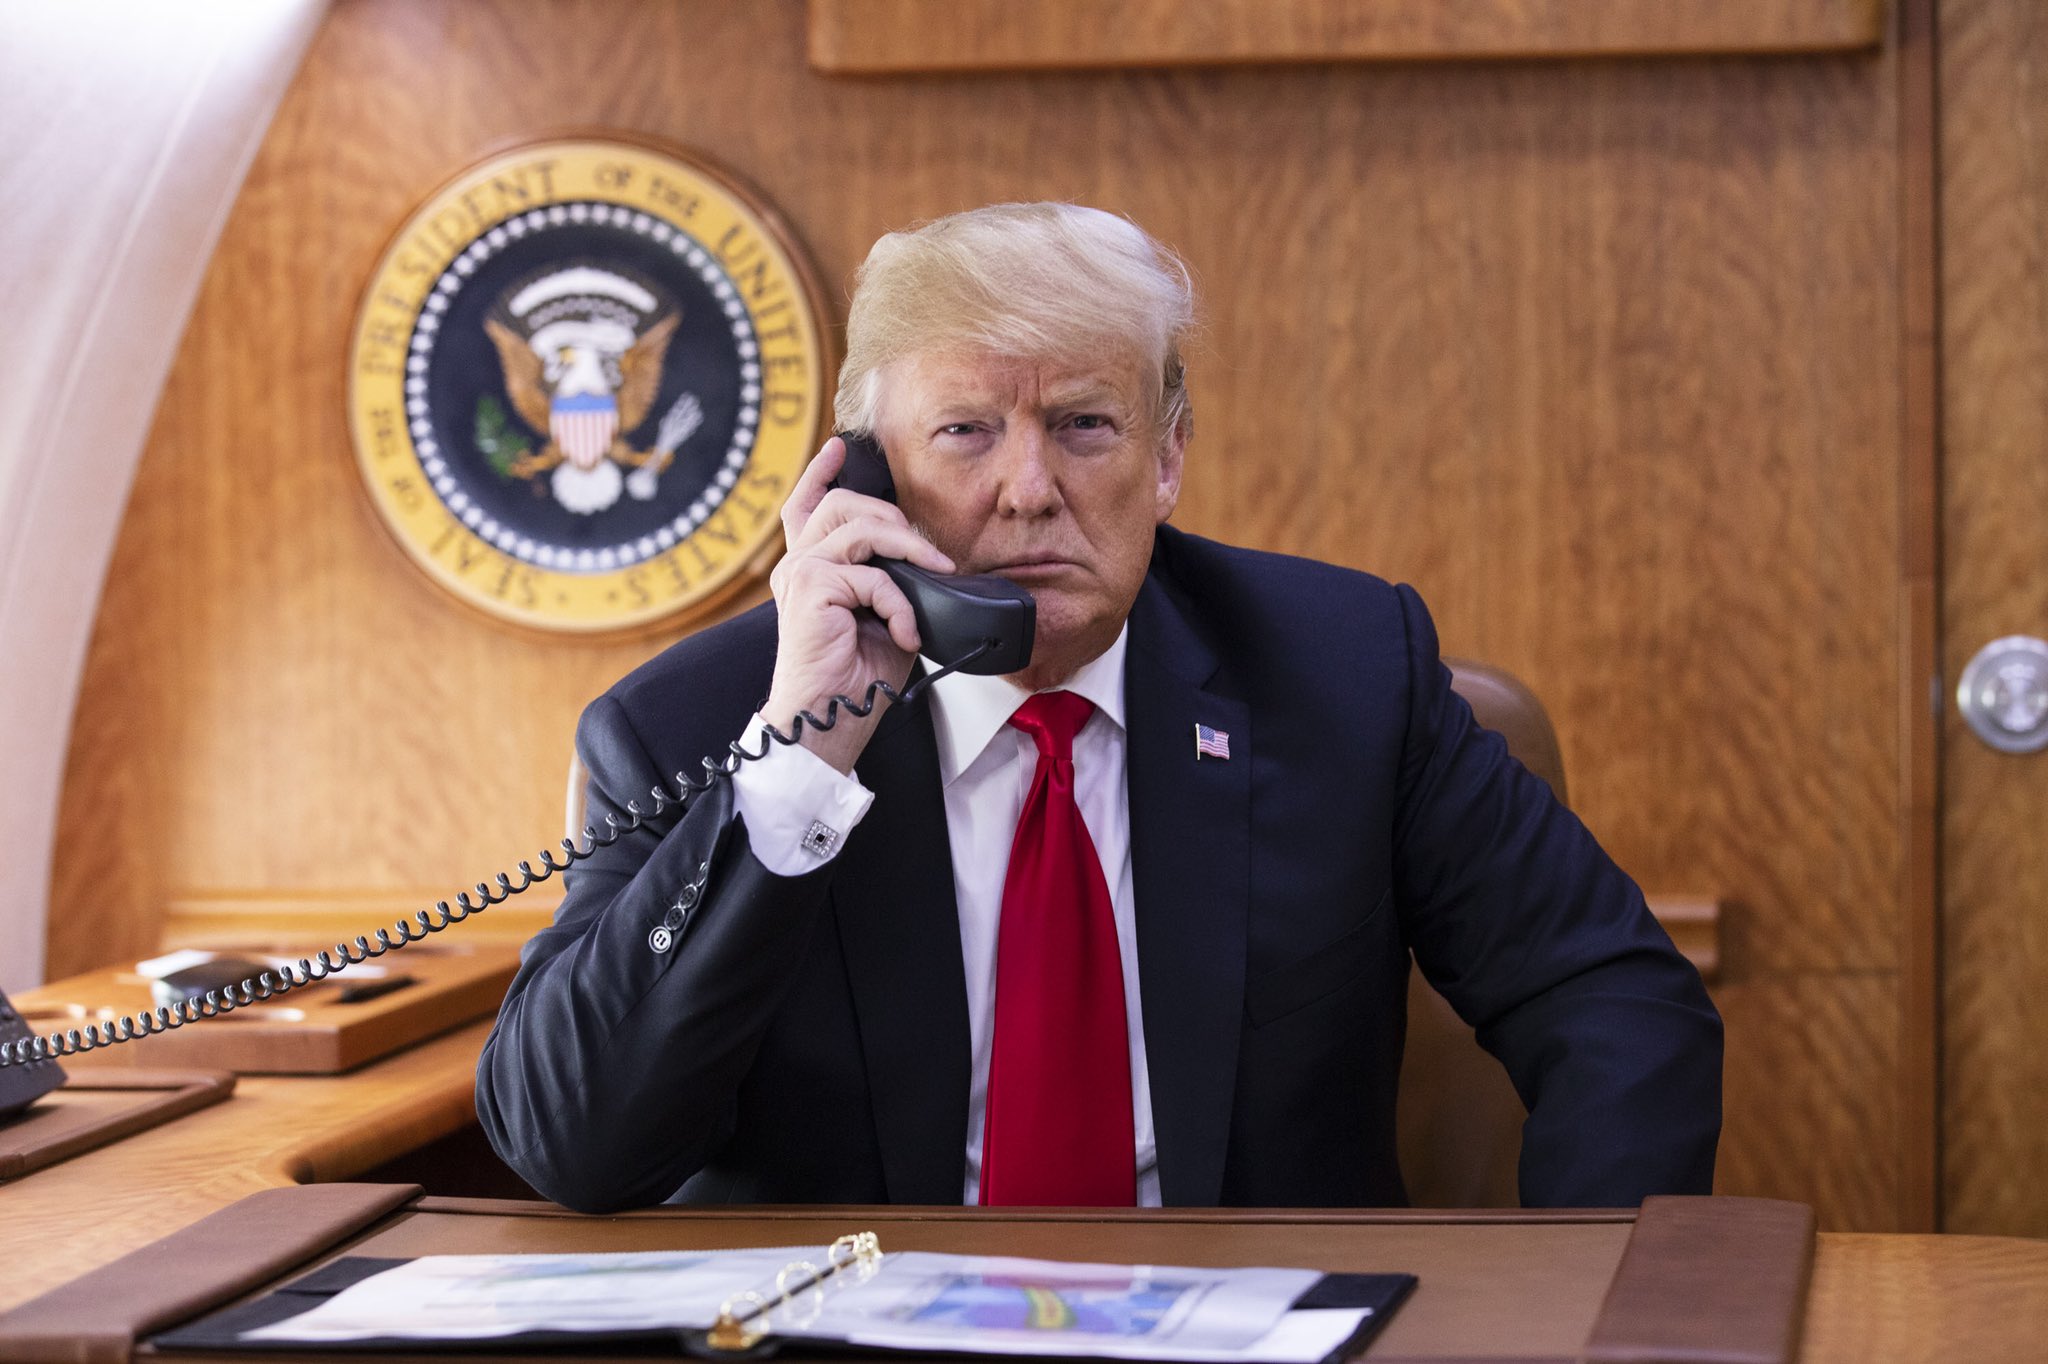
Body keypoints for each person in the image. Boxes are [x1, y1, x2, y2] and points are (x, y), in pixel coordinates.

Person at [475, 202, 1722, 1214]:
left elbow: (1613, 1002)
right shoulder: (698, 723)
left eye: (1083, 424)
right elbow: (575, 1147)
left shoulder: (1343, 672)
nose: (1027, 490)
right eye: (963, 431)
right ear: (864, 472)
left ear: (1167, 455)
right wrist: (801, 761)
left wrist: (1588, 1311)